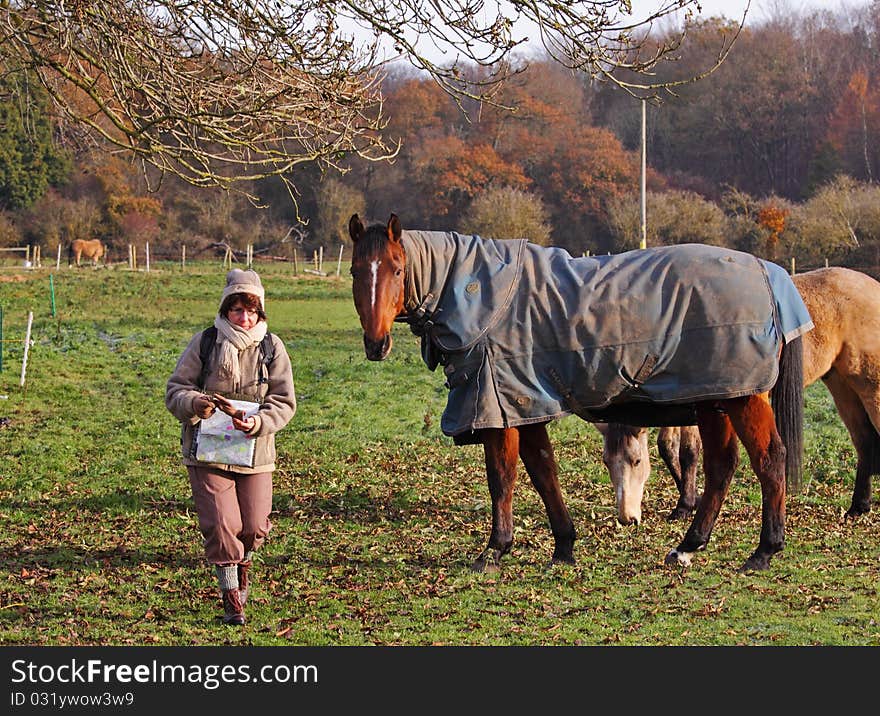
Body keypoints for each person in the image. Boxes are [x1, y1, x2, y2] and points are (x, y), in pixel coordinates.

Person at [165, 268, 296, 626]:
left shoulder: (272, 347)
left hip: (254, 452)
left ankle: (244, 564)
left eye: (251, 310)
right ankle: (230, 595)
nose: (245, 317)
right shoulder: (206, 342)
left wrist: (257, 422)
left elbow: (284, 401)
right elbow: (176, 389)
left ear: (260, 312)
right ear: (225, 311)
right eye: (237, 309)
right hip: (207, 452)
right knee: (223, 524)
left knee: (253, 526)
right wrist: (195, 404)